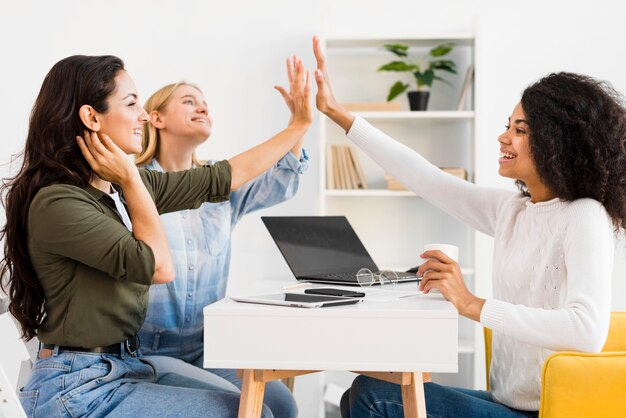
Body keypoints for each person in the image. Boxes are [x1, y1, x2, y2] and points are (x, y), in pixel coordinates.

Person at [312, 35, 626, 417]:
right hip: (507, 401)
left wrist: (471, 303)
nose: (503, 137)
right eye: (507, 125)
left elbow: (587, 330)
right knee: (360, 395)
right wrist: (336, 113)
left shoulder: (584, 214)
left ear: (557, 142)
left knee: (372, 396)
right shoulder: (514, 210)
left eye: (520, 130)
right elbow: (426, 178)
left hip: (545, 411)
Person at [0, 53, 311, 418]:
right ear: (91, 117)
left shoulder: (120, 188)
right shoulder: (60, 202)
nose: (143, 116)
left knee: (268, 406)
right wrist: (131, 178)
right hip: (80, 386)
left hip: (128, 365)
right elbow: (160, 266)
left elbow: (222, 177)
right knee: (248, 414)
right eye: (132, 104)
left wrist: (297, 126)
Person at [132, 60, 308, 417]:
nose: (202, 106)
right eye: (187, 100)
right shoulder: (134, 185)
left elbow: (281, 181)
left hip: (206, 347)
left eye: (204, 102)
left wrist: (298, 126)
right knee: (251, 410)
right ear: (157, 118)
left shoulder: (221, 188)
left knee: (282, 404)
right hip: (145, 353)